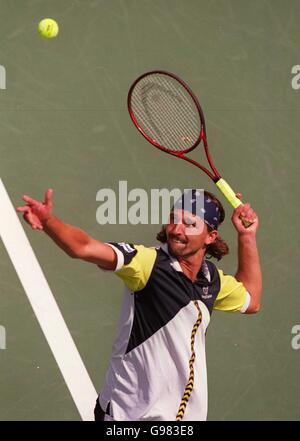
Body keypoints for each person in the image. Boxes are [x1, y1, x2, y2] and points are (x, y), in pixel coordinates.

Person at [17, 188, 262, 421]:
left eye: (190, 224)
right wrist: (49, 222)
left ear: (210, 236)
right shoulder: (148, 264)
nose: (176, 230)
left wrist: (247, 236)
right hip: (130, 415)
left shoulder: (211, 279)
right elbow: (84, 247)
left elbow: (251, 300)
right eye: (173, 220)